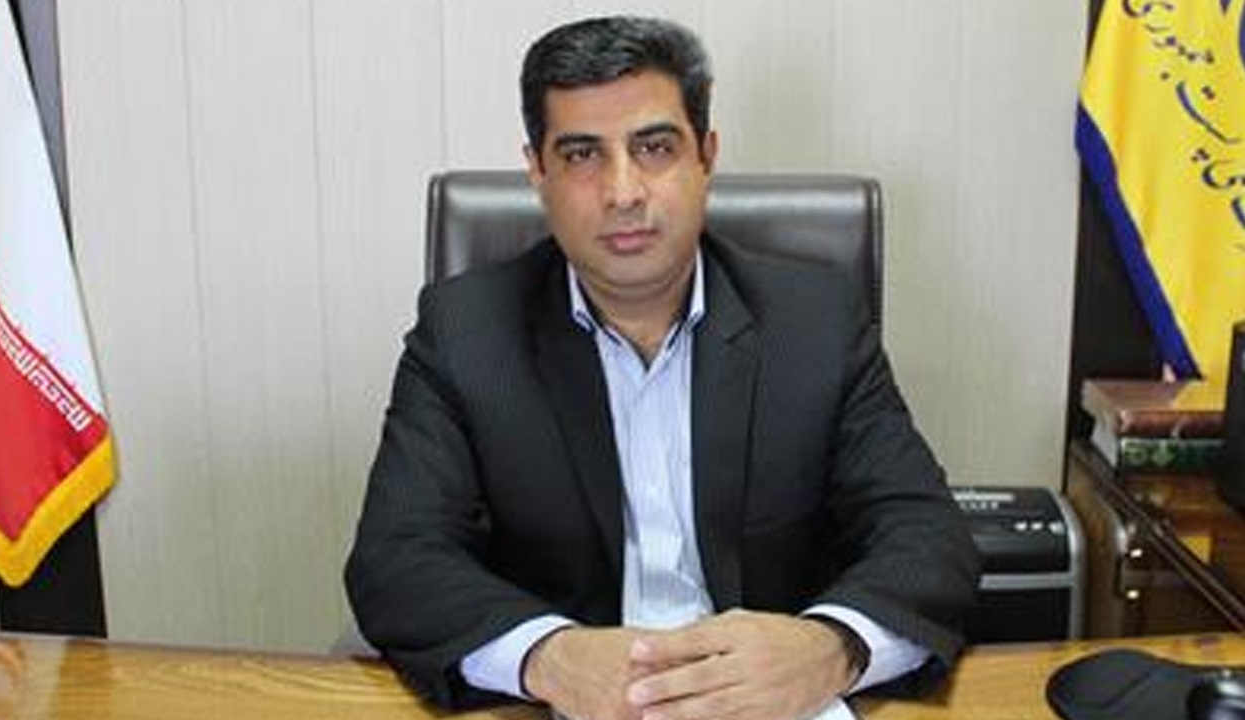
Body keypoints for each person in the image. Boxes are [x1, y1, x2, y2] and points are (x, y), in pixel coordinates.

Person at [345, 15, 979, 720]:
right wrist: (548, 657)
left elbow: (927, 536)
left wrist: (831, 648)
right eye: (582, 154)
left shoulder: (813, 323)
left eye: (654, 148)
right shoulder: (465, 333)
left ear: (706, 157)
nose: (623, 192)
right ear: (537, 173)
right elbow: (395, 558)